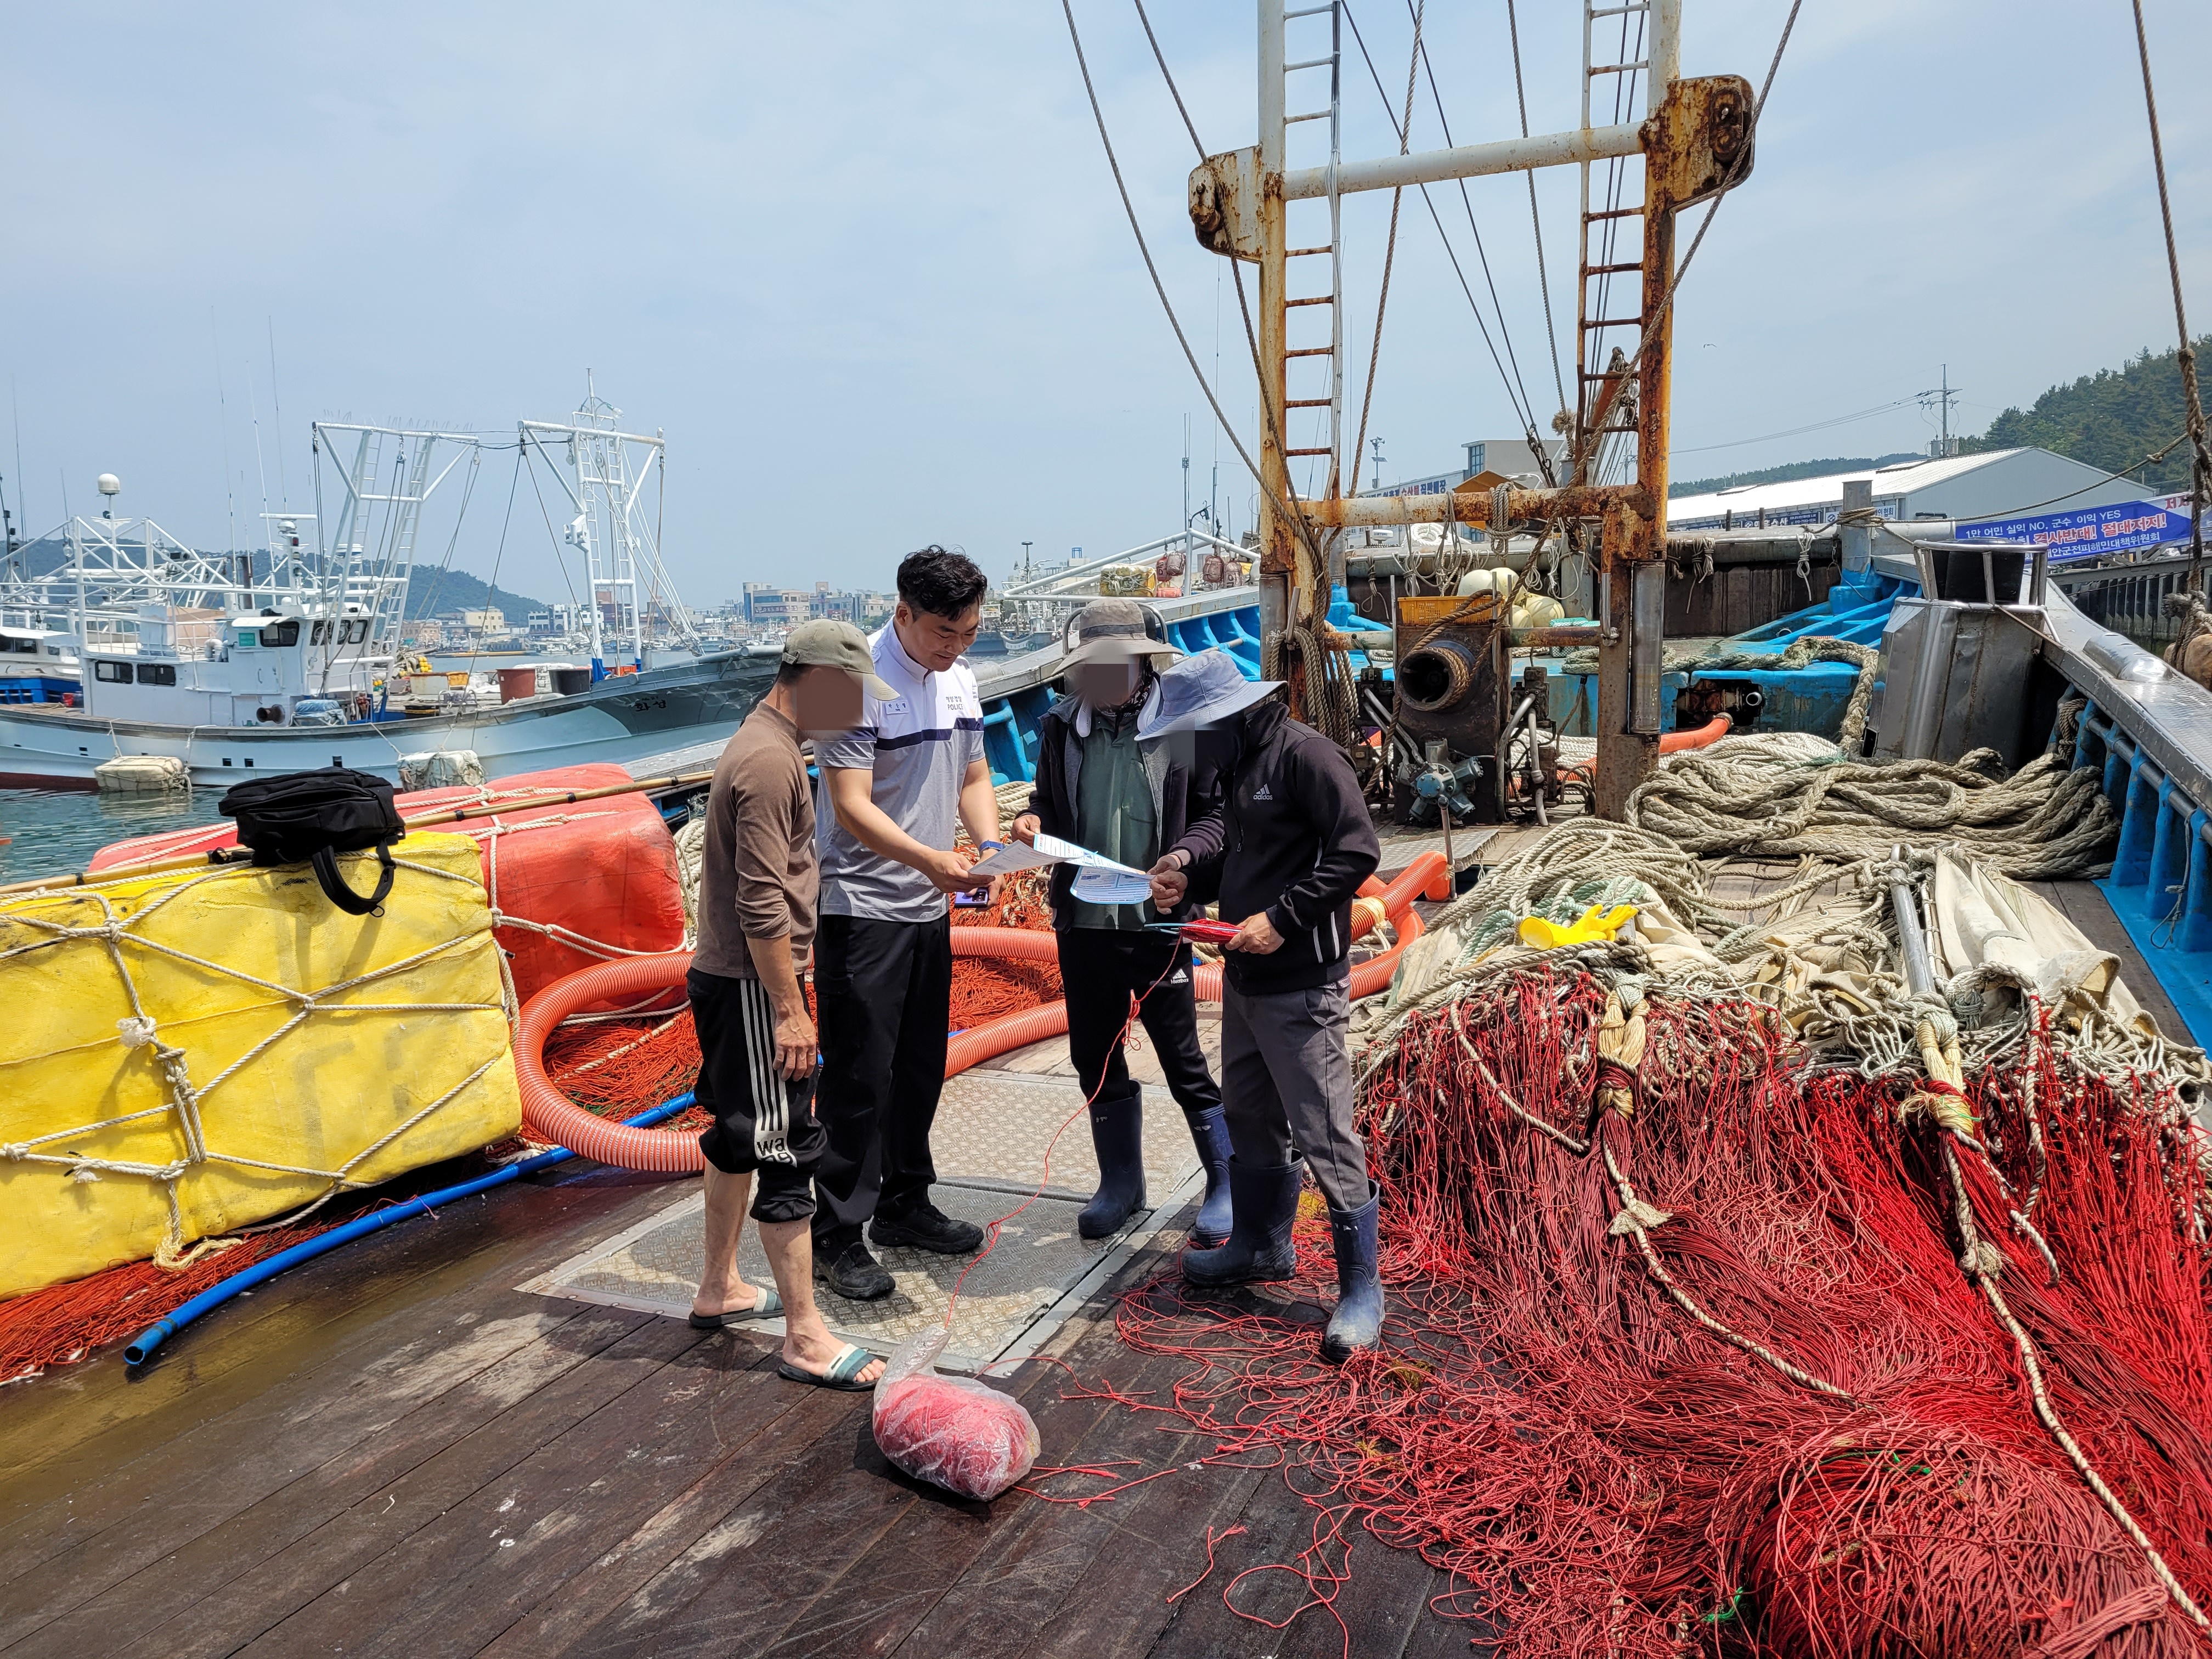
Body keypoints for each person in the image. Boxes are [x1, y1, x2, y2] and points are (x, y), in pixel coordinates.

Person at [1141, 648, 1386, 1362]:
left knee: (1324, 1132)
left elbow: (1357, 852)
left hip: (1301, 985)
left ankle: (1361, 1289)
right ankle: (1260, 1244)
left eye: (1192, 733)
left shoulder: (1307, 757)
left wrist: (1282, 918)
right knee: (1247, 1111)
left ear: (1229, 716)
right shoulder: (1239, 762)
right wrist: (1184, 871)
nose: (1188, 750)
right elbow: (1233, 849)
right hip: (1247, 982)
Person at [687, 619, 895, 1391]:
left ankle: (718, 1287)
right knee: (785, 1147)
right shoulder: (771, 765)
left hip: (728, 977)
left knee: (738, 1136)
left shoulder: (759, 740)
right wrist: (790, 1009)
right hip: (754, 983)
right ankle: (806, 1336)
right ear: (812, 679)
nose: (856, 712)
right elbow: (762, 906)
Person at [1007, 599, 1232, 1246]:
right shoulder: (1059, 727)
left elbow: (1216, 813)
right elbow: (1046, 804)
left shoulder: (1184, 724)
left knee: (1183, 1056)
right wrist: (1033, 824)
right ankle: (1121, 1185)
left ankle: (1223, 1182)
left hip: (1158, 923)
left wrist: (1185, 859)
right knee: (1093, 1056)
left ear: (1142, 662)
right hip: (1084, 922)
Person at [810, 546, 1002, 1300]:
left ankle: (903, 1205)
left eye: (969, 633)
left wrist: (987, 846)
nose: (954, 647)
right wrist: (931, 860)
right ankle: (836, 1236)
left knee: (920, 1067)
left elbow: (976, 773)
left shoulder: (961, 678)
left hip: (927, 907)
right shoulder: (841, 683)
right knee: (858, 1078)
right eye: (941, 633)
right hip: (860, 909)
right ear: (902, 615)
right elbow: (849, 805)